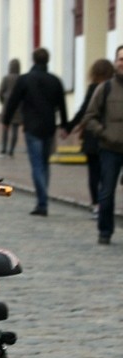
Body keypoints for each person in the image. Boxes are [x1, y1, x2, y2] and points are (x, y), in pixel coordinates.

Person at [3, 47, 68, 217]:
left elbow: (13, 100)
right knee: (45, 164)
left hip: (32, 127)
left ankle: (42, 202)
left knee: (37, 165)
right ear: (47, 60)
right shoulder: (55, 80)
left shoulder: (25, 79)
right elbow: (62, 104)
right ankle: (42, 200)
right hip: (49, 127)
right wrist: (65, 126)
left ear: (33, 60)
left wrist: (6, 121)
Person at [82, 45, 123, 245]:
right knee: (106, 192)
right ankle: (105, 231)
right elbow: (90, 117)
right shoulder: (105, 88)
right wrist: (104, 133)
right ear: (115, 62)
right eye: (121, 59)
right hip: (110, 149)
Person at [65, 58, 114, 219]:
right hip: (108, 136)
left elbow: (84, 111)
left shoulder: (94, 88)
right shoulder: (112, 88)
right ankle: (105, 204)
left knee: (94, 174)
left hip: (93, 137)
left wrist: (69, 127)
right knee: (106, 175)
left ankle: (96, 205)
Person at [0, 59, 22, 158]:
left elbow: (0, 92)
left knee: (5, 129)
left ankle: (3, 149)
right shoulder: (20, 79)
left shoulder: (6, 78)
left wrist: (3, 101)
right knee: (15, 130)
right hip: (18, 108)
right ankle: (11, 150)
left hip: (7, 106)